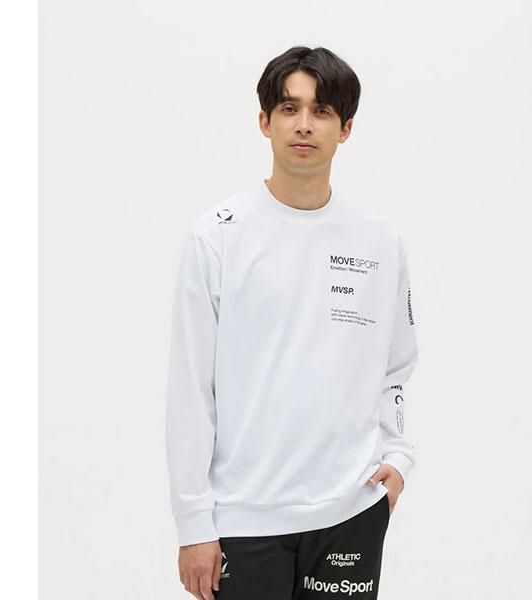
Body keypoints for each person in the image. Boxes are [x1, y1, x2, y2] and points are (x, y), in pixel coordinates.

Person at [165, 45, 419, 600]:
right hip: (244, 517)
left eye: (322, 111)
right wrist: (193, 522)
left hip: (351, 511)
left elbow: (396, 367)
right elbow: (190, 391)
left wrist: (398, 457)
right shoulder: (217, 236)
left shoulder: (380, 239)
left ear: (345, 129)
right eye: (289, 108)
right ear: (265, 121)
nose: (304, 124)